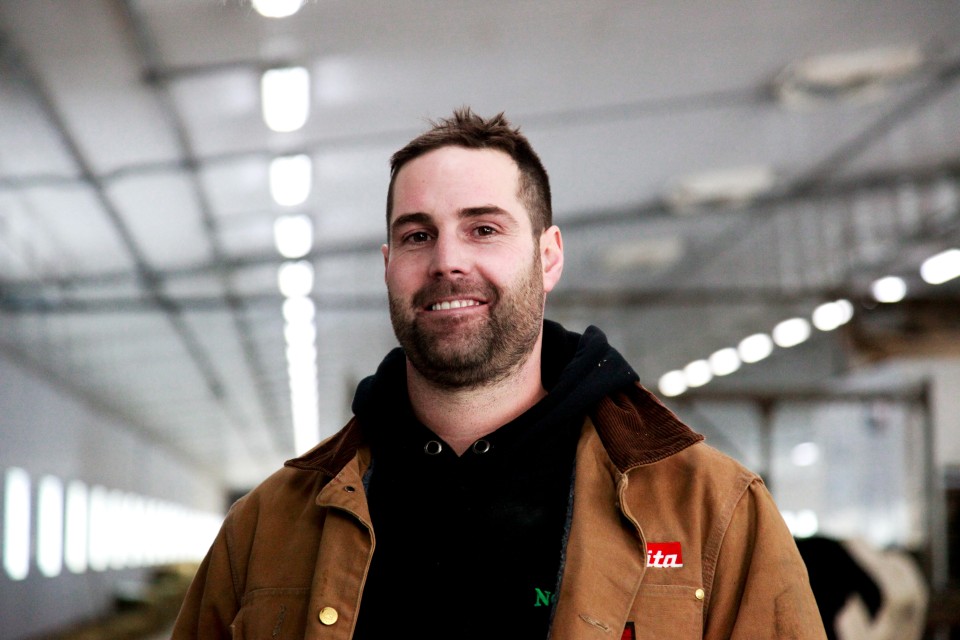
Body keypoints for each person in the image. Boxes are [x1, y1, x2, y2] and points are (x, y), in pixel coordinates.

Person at [173, 108, 826, 639]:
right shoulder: (267, 528)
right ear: (388, 263)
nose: (447, 261)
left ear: (548, 257)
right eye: (416, 236)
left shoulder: (711, 513)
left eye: (484, 229)